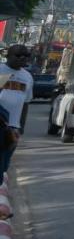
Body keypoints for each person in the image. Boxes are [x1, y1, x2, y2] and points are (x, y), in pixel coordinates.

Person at [0, 44, 34, 203]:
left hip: (13, 127)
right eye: (18, 55)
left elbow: (26, 103)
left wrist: (22, 125)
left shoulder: (27, 77)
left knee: (4, 163)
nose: (22, 58)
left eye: (26, 56)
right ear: (8, 56)